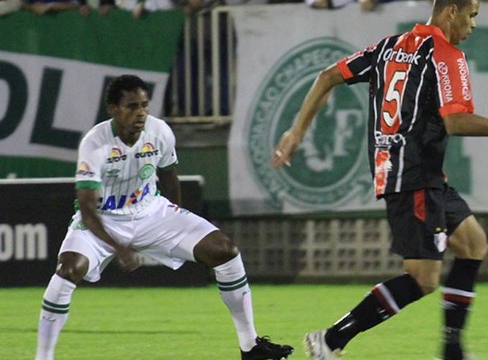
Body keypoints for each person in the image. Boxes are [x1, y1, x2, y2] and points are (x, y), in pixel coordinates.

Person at [272, 0, 488, 360]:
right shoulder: (446, 55)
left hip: (416, 173)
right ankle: (332, 339)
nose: (473, 25)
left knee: (474, 244)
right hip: (413, 176)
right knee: (423, 280)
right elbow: (457, 121)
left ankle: (452, 348)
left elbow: (327, 76)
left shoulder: (390, 47)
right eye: (471, 16)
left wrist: (296, 131)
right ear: (451, 11)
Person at [34, 75, 294, 360]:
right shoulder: (95, 143)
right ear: (112, 109)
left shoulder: (159, 132)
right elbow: (86, 208)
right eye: (132, 106)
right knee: (68, 270)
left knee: (225, 251)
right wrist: (120, 248)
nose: (141, 112)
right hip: (102, 218)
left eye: (144, 105)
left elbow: (170, 179)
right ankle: (43, 357)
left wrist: (178, 224)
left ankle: (250, 346)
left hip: (151, 212)